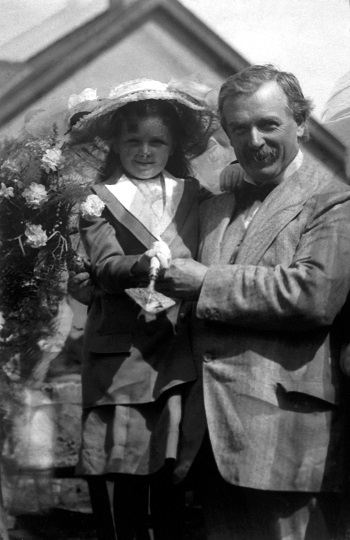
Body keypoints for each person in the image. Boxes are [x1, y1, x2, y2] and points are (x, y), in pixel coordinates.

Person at [153, 65, 350, 539]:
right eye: (239, 128)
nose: (254, 140)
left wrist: (206, 283)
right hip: (211, 439)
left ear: (301, 123)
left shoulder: (333, 200)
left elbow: (312, 295)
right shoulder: (214, 206)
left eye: (268, 124)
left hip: (287, 434)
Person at [70, 79, 217, 540]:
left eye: (157, 141)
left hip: (177, 354)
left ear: (173, 144)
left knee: (172, 485)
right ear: (114, 142)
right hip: (123, 361)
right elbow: (107, 267)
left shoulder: (197, 195)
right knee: (128, 486)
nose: (145, 151)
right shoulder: (96, 199)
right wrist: (141, 264)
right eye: (133, 140)